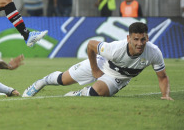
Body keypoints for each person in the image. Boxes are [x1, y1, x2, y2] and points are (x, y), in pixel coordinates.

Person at [23, 22, 173, 101]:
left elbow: (163, 77)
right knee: (62, 80)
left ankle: (81, 93)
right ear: (128, 38)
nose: (140, 43)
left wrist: (165, 95)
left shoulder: (154, 52)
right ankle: (41, 82)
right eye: (136, 39)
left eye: (143, 39)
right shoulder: (114, 49)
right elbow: (91, 45)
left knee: (97, 93)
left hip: (117, 78)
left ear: (147, 38)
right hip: (100, 63)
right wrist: (95, 69)